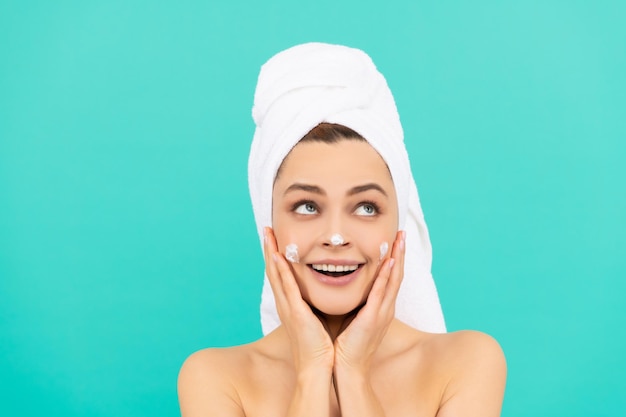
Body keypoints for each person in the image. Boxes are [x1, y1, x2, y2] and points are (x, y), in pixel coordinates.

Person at [178, 43, 506, 417]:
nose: (336, 236)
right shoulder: (217, 379)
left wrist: (353, 374)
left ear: (399, 227)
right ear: (269, 227)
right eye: (307, 206)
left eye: (366, 207)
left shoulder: (464, 364)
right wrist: (311, 370)